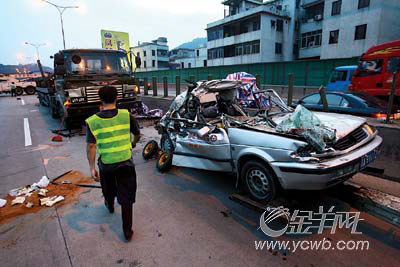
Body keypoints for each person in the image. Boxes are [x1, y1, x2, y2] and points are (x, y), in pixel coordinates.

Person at [86, 86, 141, 241]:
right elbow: (137, 134)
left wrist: (92, 168)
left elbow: (91, 146)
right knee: (127, 196)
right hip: (126, 162)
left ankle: (110, 204)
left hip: (106, 164)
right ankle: (127, 231)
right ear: (117, 98)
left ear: (100, 100)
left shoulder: (93, 121)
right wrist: (133, 144)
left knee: (108, 188)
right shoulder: (126, 115)